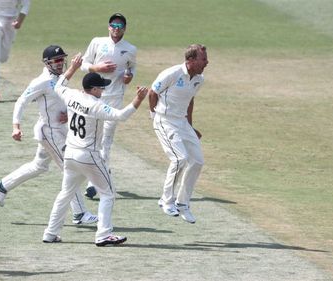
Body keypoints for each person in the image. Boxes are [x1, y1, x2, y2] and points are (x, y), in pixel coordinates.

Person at [43, 53, 148, 246]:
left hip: (71, 155)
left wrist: (73, 68)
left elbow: (58, 85)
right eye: (100, 88)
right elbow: (122, 115)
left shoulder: (72, 95)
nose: (103, 91)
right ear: (92, 89)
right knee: (108, 193)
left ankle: (50, 233)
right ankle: (103, 235)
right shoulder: (96, 105)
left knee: (65, 194)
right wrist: (139, 99)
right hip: (89, 156)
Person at [0, 45, 97, 225]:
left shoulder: (59, 78)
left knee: (38, 166)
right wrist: (15, 126)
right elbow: (21, 101)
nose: (59, 63)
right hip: (49, 132)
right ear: (47, 63)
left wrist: (68, 113)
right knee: (71, 168)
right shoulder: (41, 81)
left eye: (61, 60)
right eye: (56, 61)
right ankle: (79, 213)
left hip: (58, 130)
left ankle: (3, 185)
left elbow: (61, 96)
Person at [148, 44, 209, 224]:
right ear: (190, 60)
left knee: (197, 161)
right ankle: (166, 201)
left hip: (182, 122)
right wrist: (154, 116)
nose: (207, 62)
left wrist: (190, 127)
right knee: (179, 159)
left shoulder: (199, 79)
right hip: (164, 119)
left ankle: (183, 203)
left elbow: (189, 101)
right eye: (203, 59)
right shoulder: (173, 73)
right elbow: (152, 93)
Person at [80, 13, 137, 198]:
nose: (116, 28)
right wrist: (97, 69)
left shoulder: (130, 49)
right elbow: (83, 64)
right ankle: (100, 171)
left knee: (106, 140)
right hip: (93, 95)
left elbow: (131, 69)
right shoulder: (97, 42)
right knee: (92, 136)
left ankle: (93, 183)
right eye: (113, 25)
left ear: (125, 28)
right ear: (108, 26)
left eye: (120, 25)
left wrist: (128, 77)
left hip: (114, 97)